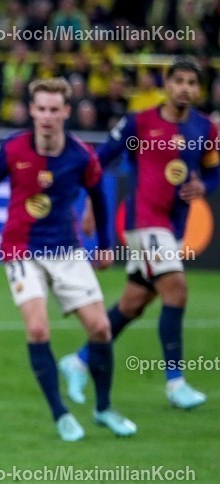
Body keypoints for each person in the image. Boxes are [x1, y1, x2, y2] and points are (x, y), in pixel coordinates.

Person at [0, 77, 136, 441]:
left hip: (66, 248)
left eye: (54, 109)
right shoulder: (12, 148)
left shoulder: (81, 155)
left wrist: (104, 244)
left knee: (101, 328)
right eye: (42, 109)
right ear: (32, 111)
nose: (48, 116)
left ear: (66, 112)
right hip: (21, 249)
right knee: (37, 329)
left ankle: (104, 408)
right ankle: (61, 414)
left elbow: (99, 198)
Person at [59, 58, 218, 410]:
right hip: (144, 221)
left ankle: (79, 361)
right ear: (167, 84)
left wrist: (204, 187)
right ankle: (176, 384)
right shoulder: (139, 122)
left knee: (133, 303)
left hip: (174, 226)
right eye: (179, 80)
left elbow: (213, 171)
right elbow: (99, 160)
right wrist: (90, 206)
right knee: (176, 289)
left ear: (199, 89)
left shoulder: (205, 129)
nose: (185, 88)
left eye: (192, 82)